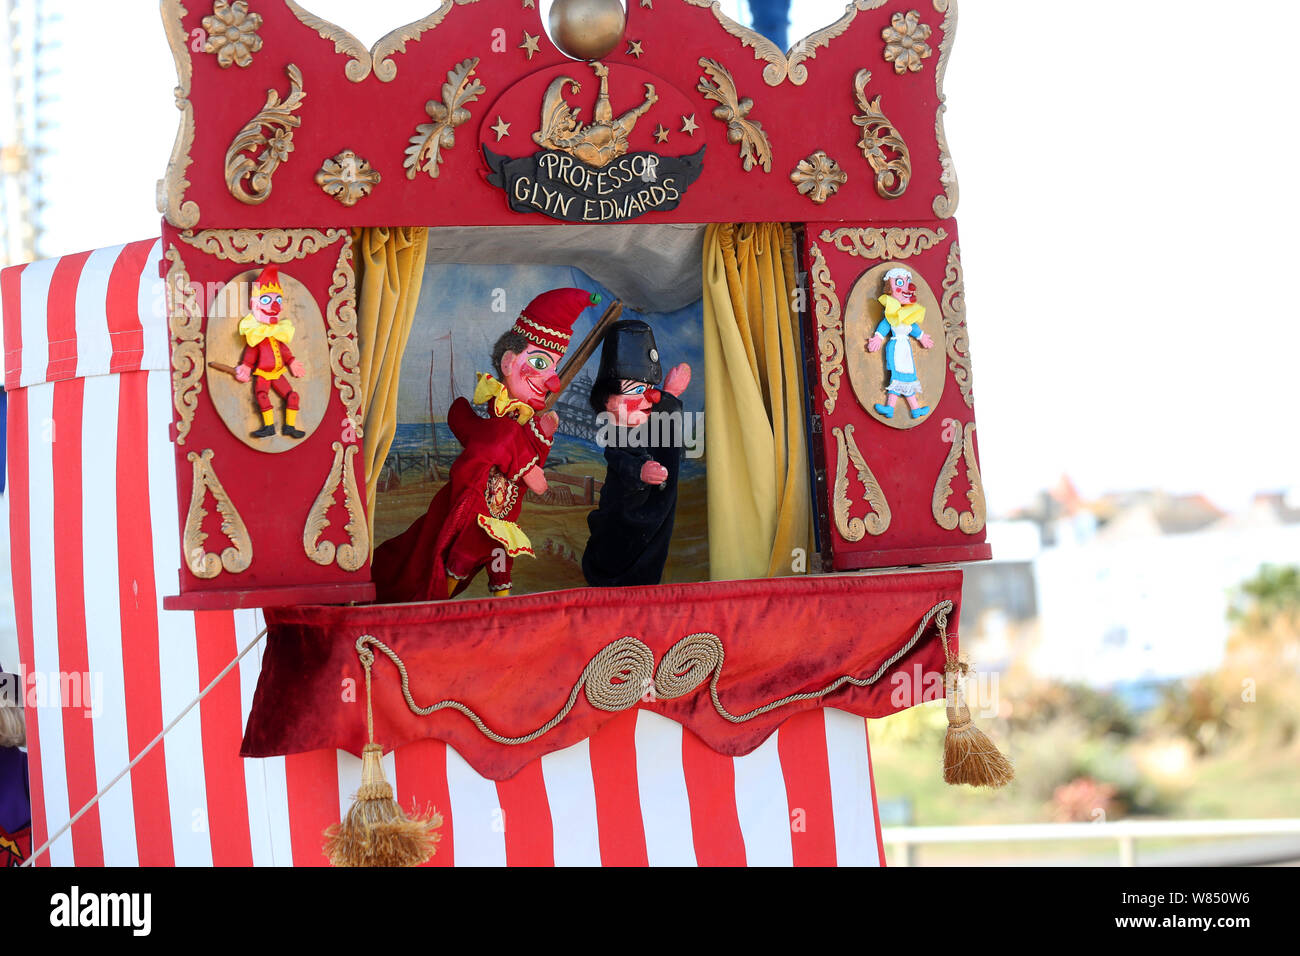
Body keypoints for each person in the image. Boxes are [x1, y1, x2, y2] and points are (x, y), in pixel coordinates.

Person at [373, 287, 601, 602]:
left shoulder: (521, 421)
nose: (552, 380)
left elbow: (512, 445)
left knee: (496, 557)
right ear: (509, 362)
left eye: (554, 367)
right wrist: (527, 468)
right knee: (454, 556)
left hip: (500, 515)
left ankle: (493, 605)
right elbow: (495, 440)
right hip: (474, 512)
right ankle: (437, 601)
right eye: (539, 362)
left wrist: (542, 441)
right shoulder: (501, 417)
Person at [582, 320, 691, 587]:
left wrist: (670, 394)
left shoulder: (651, 422)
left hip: (653, 524)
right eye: (635, 391)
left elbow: (663, 429)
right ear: (607, 401)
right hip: (620, 518)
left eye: (648, 390)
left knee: (650, 556)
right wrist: (640, 470)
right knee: (616, 550)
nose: (648, 399)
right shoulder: (616, 431)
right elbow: (618, 457)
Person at [234, 265, 306, 439]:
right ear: (254, 304)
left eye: (278, 301)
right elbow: (251, 353)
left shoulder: (277, 333)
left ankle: (289, 426)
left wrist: (292, 361)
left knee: (293, 396)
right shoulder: (256, 335)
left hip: (278, 373)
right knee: (262, 395)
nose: (274, 306)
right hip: (264, 374)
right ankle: (268, 427)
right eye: (266, 300)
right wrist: (245, 366)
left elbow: (284, 350)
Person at [866, 266, 935, 420]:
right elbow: (885, 326)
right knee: (897, 377)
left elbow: (913, 328)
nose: (906, 286)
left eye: (907, 282)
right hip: (896, 348)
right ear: (890, 289)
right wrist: (877, 337)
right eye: (899, 282)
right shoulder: (892, 314)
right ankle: (898, 408)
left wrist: (922, 336)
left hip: (906, 350)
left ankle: (906, 409)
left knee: (908, 378)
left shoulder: (907, 314)